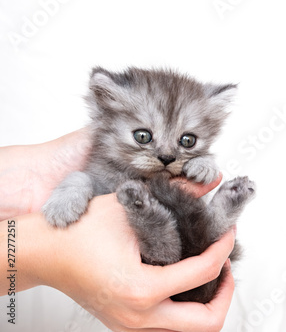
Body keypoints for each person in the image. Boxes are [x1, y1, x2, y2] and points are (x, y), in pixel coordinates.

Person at [0, 129, 236, 332]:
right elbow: (91, 182)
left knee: (192, 237)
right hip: (145, 248)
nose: (166, 154)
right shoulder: (103, 159)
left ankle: (210, 219)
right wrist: (45, 248)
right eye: (144, 136)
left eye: (185, 141)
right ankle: (183, 219)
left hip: (171, 251)